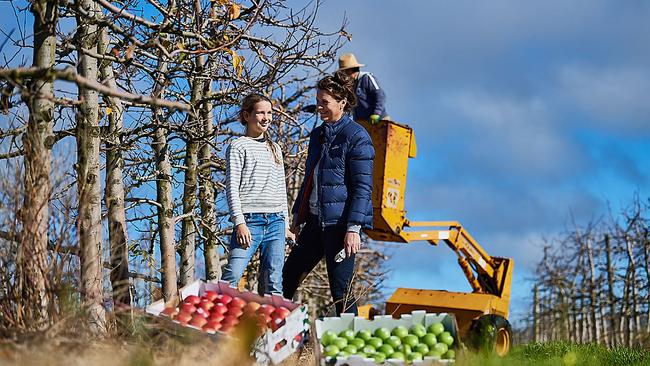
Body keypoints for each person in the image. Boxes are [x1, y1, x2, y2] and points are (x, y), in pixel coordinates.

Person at [282, 71, 375, 315]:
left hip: (340, 227)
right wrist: (296, 219)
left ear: (342, 102)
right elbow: (309, 180)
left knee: (341, 293)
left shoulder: (357, 137)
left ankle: (350, 350)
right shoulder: (318, 135)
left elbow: (363, 187)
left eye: (325, 102)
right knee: (286, 280)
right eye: (318, 101)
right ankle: (266, 343)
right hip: (314, 223)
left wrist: (354, 229)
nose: (319, 107)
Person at [222, 93, 295, 295]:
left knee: (274, 281)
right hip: (249, 221)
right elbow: (232, 188)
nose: (266, 118)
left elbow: (281, 189)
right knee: (232, 275)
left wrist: (286, 226)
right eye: (260, 112)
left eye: (269, 113)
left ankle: (273, 325)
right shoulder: (238, 146)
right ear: (247, 115)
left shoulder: (275, 149)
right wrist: (239, 223)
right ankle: (213, 320)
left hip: (276, 222)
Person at [338, 53, 389, 124]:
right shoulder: (349, 85)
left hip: (380, 121)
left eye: (345, 71)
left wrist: (377, 113)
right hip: (362, 123)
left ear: (351, 70)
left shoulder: (366, 78)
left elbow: (380, 95)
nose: (344, 74)